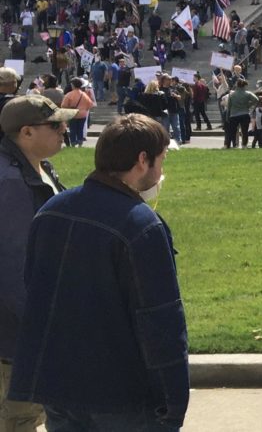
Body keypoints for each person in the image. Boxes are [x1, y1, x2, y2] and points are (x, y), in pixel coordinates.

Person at [8, 114, 189, 431]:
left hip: (58, 388)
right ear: (142, 160)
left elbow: (34, 293)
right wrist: (173, 403)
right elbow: (159, 321)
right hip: (121, 396)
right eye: (161, 160)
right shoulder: (141, 226)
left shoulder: (51, 211)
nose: (162, 171)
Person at [0, 95, 72, 432]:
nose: (65, 129)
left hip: (27, 331)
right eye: (55, 124)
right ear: (26, 132)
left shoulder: (37, 166)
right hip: (17, 339)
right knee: (19, 419)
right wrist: (43, 332)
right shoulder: (10, 183)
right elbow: (14, 268)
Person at [60, 78, 95, 147]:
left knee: (73, 129)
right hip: (83, 115)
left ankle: (73, 142)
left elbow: (63, 105)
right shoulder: (84, 95)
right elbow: (91, 104)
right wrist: (84, 109)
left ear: (73, 85)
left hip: (73, 114)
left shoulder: (69, 94)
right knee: (80, 129)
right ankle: (80, 142)